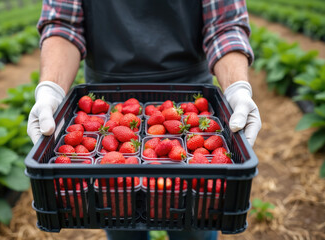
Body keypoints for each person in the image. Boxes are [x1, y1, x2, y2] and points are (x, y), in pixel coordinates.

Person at [27, 0, 261, 239]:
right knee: (118, 212)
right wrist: (51, 89)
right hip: (108, 97)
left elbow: (225, 24)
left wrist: (237, 88)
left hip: (187, 92)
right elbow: (63, 24)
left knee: (194, 219)